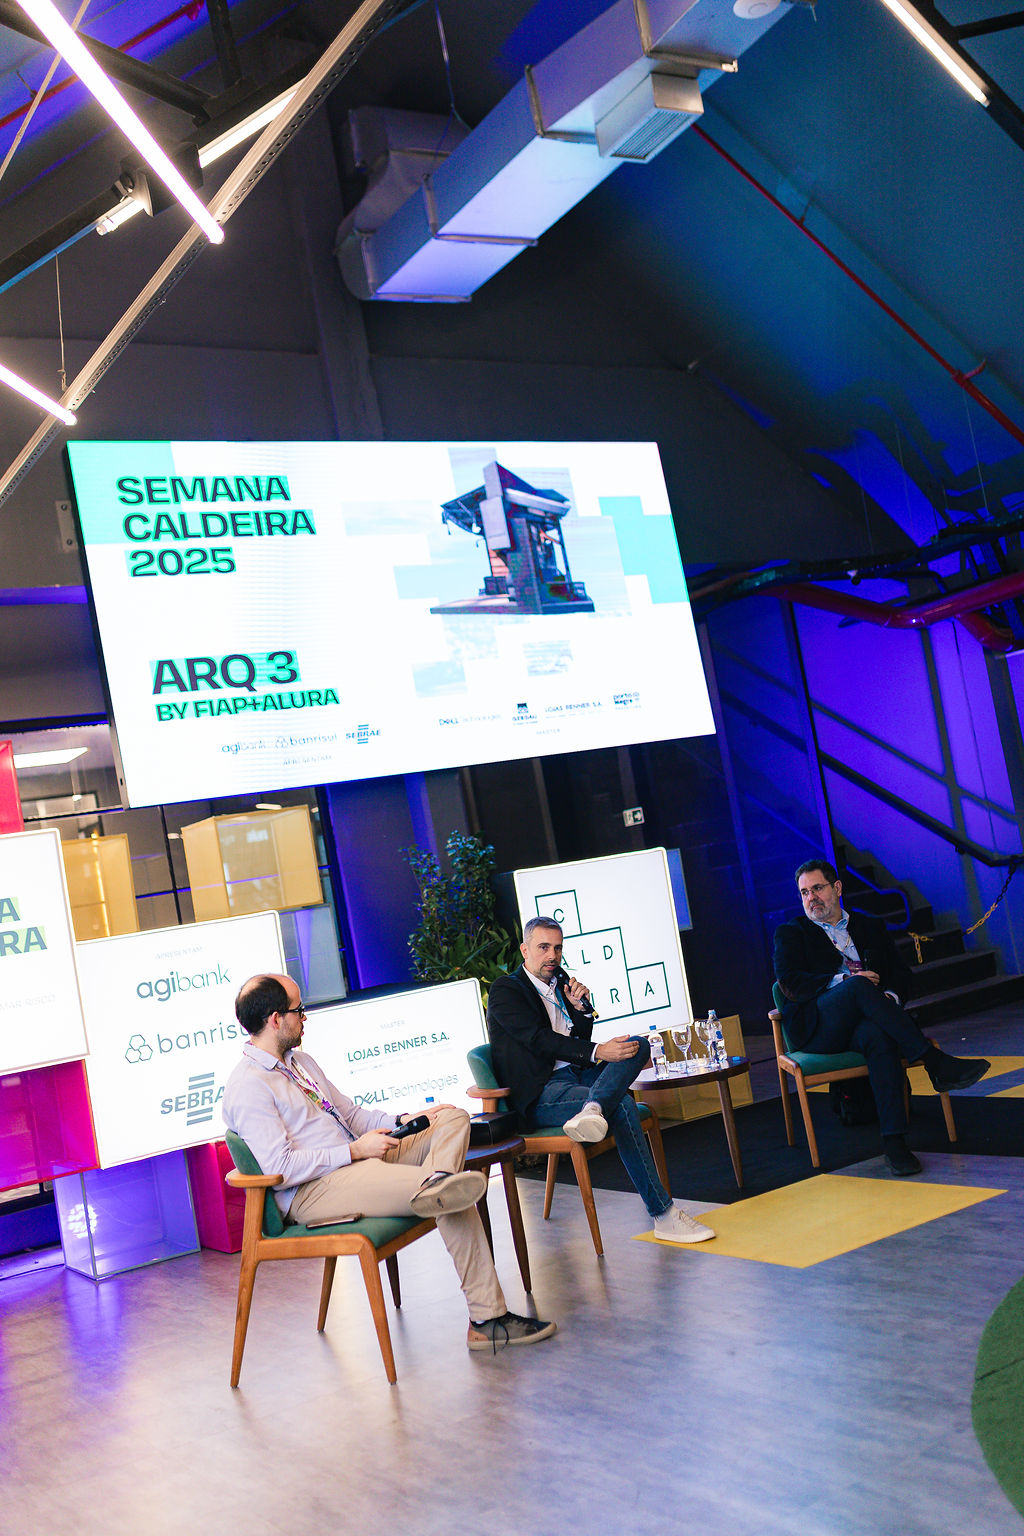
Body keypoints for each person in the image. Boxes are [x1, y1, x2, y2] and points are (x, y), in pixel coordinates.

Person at [222, 972, 556, 1352]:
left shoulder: (300, 1062)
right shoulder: (249, 1085)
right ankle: (487, 1320)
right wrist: (353, 1152)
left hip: (358, 1160)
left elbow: (350, 1114)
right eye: (299, 1010)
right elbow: (280, 1169)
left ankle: (438, 1181)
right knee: (451, 1195)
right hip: (315, 1189)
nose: (305, 1017)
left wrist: (404, 1120)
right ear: (275, 1019)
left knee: (452, 1118)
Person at [486, 917, 714, 1244]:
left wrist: (580, 1010)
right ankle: (664, 1215)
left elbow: (575, 1037)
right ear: (525, 950)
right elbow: (539, 1040)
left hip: (579, 1076)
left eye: (557, 948)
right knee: (621, 1105)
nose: (552, 955)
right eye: (543, 947)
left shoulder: (559, 984)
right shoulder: (506, 990)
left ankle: (593, 1107)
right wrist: (598, 1051)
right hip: (541, 1092)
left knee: (639, 1044)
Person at [774, 859, 990, 1176]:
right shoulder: (791, 933)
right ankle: (934, 1061)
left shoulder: (869, 926)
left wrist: (888, 998)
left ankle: (895, 1143)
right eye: (804, 892)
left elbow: (901, 975)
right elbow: (790, 984)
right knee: (858, 985)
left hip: (867, 1020)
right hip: (820, 1027)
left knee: (877, 1036)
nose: (811, 898)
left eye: (817, 888)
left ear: (837, 888)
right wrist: (845, 981)